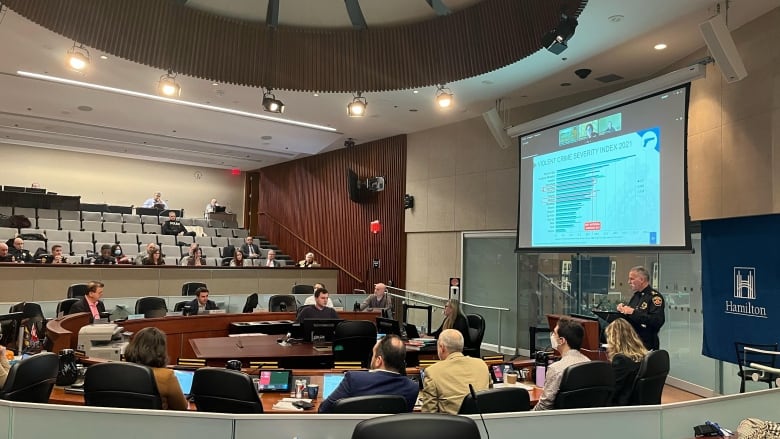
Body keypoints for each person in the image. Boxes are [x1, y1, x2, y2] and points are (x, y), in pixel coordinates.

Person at [318, 335, 420, 413]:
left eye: (373, 354)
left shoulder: (354, 379)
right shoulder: (412, 388)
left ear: (378, 360)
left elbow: (324, 410)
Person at [420, 329, 490, 414]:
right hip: (481, 424)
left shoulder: (432, 372)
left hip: (451, 426)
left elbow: (429, 414)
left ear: (442, 348)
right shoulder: (481, 365)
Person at [532, 317, 591, 411]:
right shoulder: (589, 363)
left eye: (554, 333)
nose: (552, 336)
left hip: (556, 421)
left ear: (561, 340)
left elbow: (543, 407)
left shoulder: (556, 369)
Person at [123, 327, 188, 410]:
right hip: (156, 421)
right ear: (160, 350)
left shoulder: (121, 372)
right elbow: (182, 407)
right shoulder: (166, 376)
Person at [617, 266, 665, 350]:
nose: (629, 282)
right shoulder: (636, 296)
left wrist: (633, 313)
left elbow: (657, 321)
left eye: (632, 279)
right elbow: (631, 317)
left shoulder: (654, 297)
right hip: (632, 342)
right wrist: (623, 310)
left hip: (647, 344)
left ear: (642, 280)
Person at [605, 318, 648, 406]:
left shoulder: (621, 360)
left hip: (622, 406)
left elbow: (613, 390)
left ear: (614, 339)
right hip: (637, 404)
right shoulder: (643, 356)